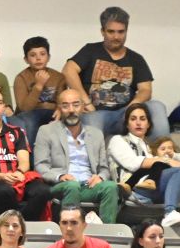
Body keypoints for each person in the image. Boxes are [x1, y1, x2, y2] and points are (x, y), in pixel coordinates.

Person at [64, 7, 169, 140]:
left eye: (121, 32)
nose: (116, 37)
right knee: (92, 125)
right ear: (102, 31)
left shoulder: (136, 58)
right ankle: (94, 160)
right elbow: (68, 70)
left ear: (126, 31)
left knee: (157, 106)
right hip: (96, 112)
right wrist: (86, 102)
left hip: (126, 113)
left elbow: (146, 90)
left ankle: (163, 154)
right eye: (111, 32)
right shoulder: (90, 50)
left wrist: (132, 108)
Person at [35, 91, 121, 226]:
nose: (71, 110)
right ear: (59, 108)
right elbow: (40, 166)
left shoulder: (96, 134)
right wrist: (60, 176)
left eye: (75, 105)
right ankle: (69, 232)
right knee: (72, 186)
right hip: (60, 185)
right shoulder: (46, 131)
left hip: (88, 185)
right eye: (65, 106)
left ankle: (106, 235)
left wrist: (100, 177)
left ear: (83, 107)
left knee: (110, 186)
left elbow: (104, 168)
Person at [0, 92, 55, 224]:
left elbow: (24, 161)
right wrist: (1, 176)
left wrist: (19, 172)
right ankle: (14, 227)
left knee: (43, 191)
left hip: (17, 176)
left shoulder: (17, 132)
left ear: (4, 107)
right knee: (5, 191)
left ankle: (23, 227)